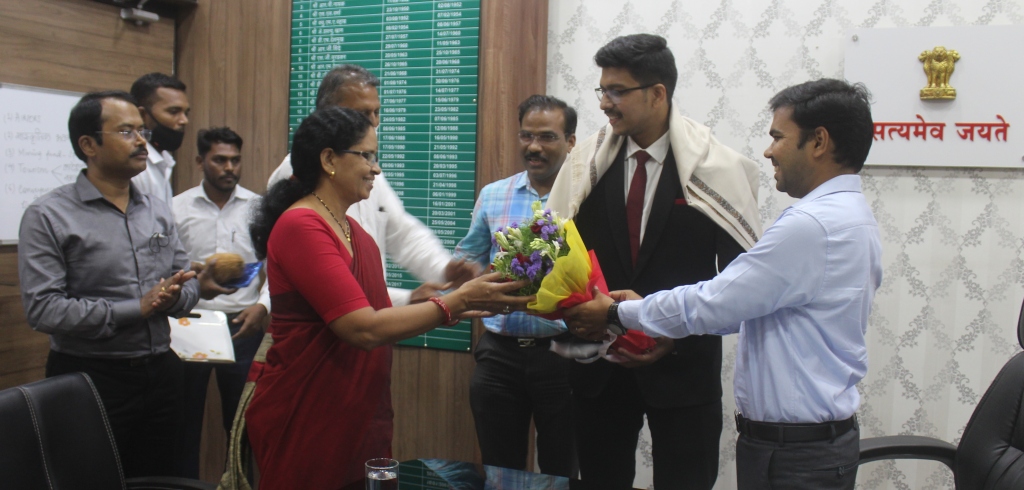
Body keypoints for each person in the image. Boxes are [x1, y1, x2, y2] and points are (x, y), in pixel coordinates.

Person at [565, 78, 880, 490]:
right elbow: (738, 309)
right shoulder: (853, 216)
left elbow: (716, 302)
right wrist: (643, 316)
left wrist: (616, 312)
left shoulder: (812, 226)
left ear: (818, 141)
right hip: (810, 444)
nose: (768, 151)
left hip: (794, 455)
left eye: (778, 137)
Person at [245, 106, 532, 489]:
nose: (376, 169)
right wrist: (456, 302)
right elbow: (362, 328)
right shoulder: (302, 225)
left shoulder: (356, 232)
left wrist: (449, 301)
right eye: (366, 156)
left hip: (358, 412)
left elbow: (371, 311)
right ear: (328, 160)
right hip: (309, 414)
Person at [545, 34, 762, 489]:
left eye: (617, 91)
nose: (604, 103)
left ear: (658, 93)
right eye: (602, 89)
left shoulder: (716, 171)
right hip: (598, 370)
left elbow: (741, 285)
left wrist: (674, 337)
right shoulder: (585, 166)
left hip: (684, 374)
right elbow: (557, 255)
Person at [18, 90, 199, 478]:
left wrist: (174, 297)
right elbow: (43, 309)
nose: (141, 141)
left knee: (159, 478)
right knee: (91, 478)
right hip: (89, 376)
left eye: (142, 131)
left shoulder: (156, 210)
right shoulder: (48, 215)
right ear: (89, 145)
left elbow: (187, 281)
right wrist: (138, 308)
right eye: (127, 131)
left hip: (161, 372)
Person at [268, 64, 476, 306]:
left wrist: (443, 268)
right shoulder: (296, 174)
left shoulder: (365, 174)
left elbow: (401, 232)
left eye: (376, 112)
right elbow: (330, 289)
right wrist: (409, 300)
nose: (374, 123)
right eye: (363, 113)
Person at [453, 95, 578, 476]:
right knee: (499, 469)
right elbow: (468, 258)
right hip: (499, 356)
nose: (534, 146)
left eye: (547, 137)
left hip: (563, 354)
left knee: (561, 471)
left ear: (570, 141)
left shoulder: (585, 197)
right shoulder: (494, 195)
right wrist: (454, 293)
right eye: (526, 135)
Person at [172, 127, 271, 478]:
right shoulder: (176, 208)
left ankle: (240, 485)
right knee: (183, 421)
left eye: (235, 160)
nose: (229, 167)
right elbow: (166, 266)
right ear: (200, 161)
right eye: (219, 160)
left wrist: (262, 307)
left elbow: (277, 265)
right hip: (189, 323)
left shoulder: (259, 209)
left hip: (242, 326)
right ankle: (183, 485)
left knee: (242, 424)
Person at [129, 72, 191, 205]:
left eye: (186, 113)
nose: (184, 120)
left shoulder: (163, 162)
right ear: (142, 115)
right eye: (174, 112)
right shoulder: (134, 167)